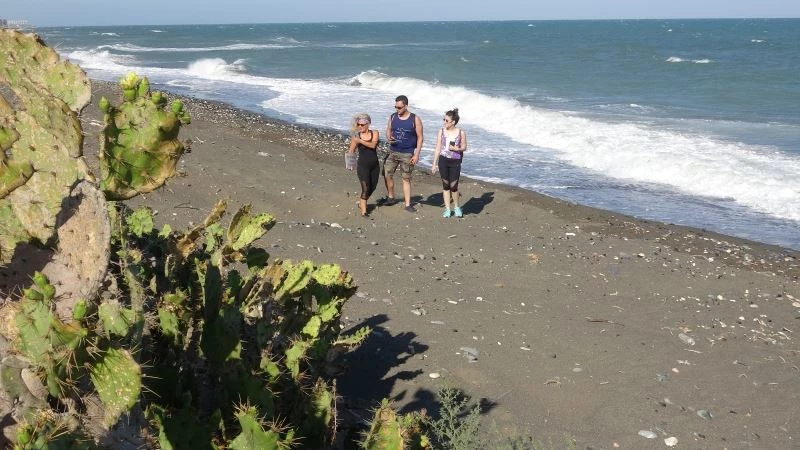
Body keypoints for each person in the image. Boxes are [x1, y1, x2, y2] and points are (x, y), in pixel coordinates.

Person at [379, 95, 423, 212]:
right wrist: (388, 137)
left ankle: (408, 204)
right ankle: (391, 197)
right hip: (392, 151)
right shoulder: (393, 117)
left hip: (407, 153)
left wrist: (416, 154)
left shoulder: (415, 119)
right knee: (387, 174)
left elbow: (420, 137)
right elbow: (388, 129)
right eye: (395, 107)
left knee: (406, 178)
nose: (397, 110)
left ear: (406, 106)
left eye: (399, 107)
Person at [431, 108, 467, 218]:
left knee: (454, 186)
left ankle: (456, 207)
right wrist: (434, 163)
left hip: (455, 161)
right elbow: (438, 148)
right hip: (443, 160)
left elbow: (464, 147)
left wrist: (456, 149)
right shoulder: (441, 131)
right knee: (446, 185)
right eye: (444, 120)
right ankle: (447, 209)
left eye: (446, 120)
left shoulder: (461, 132)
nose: (444, 122)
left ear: (453, 122)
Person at [347, 113, 380, 217]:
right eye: (358, 125)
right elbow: (351, 151)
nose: (360, 127)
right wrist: (350, 164)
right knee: (365, 188)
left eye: (362, 125)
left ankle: (362, 202)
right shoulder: (356, 137)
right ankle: (364, 212)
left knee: (372, 187)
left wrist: (360, 141)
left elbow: (373, 145)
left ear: (368, 124)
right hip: (362, 166)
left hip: (375, 165)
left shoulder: (374, 133)